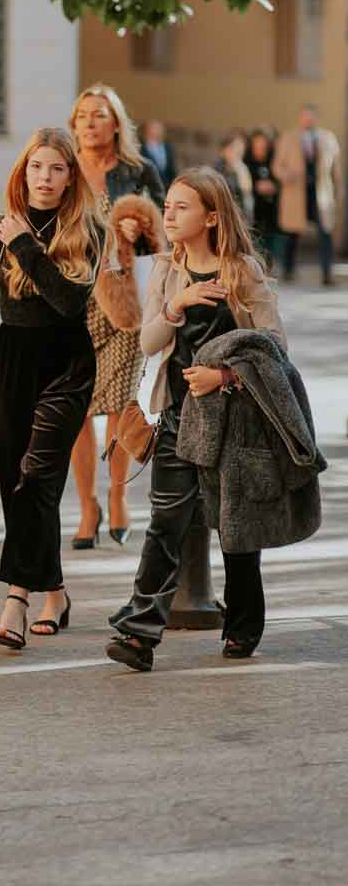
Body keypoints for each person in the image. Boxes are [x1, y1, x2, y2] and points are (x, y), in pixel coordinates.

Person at [106, 169, 291, 671]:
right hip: (176, 419)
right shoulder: (167, 270)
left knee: (236, 529)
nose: (168, 214)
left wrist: (224, 377)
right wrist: (176, 304)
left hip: (236, 424)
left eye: (181, 207)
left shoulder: (242, 272)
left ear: (211, 217)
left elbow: (275, 347)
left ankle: (243, 627)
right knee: (165, 523)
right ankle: (140, 635)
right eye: (167, 205)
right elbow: (148, 343)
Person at [0, 128, 100, 652]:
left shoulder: (87, 231)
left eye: (57, 169)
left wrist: (23, 244)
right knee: (18, 480)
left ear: (70, 178)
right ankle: (56, 592)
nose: (45, 178)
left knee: (38, 476)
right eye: (37, 167)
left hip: (67, 363)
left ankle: (16, 596)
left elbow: (67, 303)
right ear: (24, 173)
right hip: (14, 360)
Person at [69, 84, 165, 548]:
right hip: (75, 300)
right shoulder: (63, 169)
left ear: (116, 123)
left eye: (99, 115)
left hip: (126, 301)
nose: (90, 122)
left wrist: (140, 227)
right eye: (83, 115)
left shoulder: (139, 171)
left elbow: (167, 231)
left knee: (120, 399)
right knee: (80, 405)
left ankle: (119, 493)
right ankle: (87, 504)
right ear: (74, 125)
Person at [274, 105, 342, 285]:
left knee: (325, 233)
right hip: (295, 194)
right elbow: (277, 167)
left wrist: (338, 194)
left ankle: (327, 273)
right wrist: (286, 175)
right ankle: (288, 270)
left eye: (311, 117)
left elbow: (336, 171)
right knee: (292, 234)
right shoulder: (288, 138)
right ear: (300, 118)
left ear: (316, 118)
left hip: (321, 195)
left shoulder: (328, 138)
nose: (308, 120)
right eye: (305, 117)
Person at [247, 127, 281, 267]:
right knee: (255, 242)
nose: (260, 149)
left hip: (271, 210)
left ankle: (269, 266)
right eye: (257, 146)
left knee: (271, 241)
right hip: (254, 210)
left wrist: (274, 187)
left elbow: (280, 179)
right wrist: (256, 186)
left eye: (263, 146)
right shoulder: (247, 162)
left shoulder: (274, 161)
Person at [213, 130, 253, 221]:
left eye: (241, 148)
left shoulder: (242, 168)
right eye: (233, 147)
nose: (237, 151)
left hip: (239, 217)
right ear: (223, 150)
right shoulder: (217, 169)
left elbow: (247, 193)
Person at [139, 118, 176, 187]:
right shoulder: (140, 148)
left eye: (159, 129)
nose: (157, 131)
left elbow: (172, 170)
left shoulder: (167, 147)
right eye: (154, 128)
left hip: (167, 187)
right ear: (147, 131)